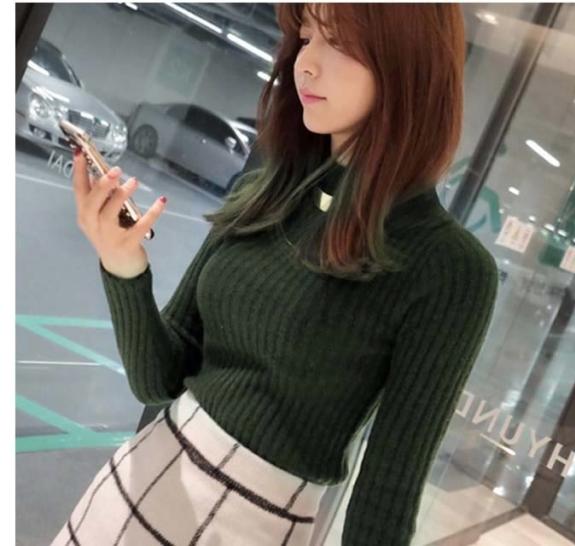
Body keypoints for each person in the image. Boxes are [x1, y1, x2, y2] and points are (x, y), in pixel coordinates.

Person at [51, 3, 498, 546]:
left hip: (251, 524)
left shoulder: (448, 269)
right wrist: (123, 266)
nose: (305, 63)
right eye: (306, 37)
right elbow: (158, 381)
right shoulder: (264, 191)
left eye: (338, 41)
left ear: (408, 64)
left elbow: (386, 495)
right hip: (128, 489)